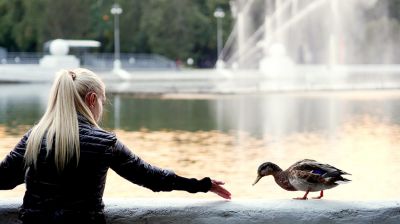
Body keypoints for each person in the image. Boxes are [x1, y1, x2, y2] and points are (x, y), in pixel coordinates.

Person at [0, 68, 231, 224]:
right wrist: (202, 185)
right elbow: (151, 177)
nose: (102, 106)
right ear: (91, 99)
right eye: (102, 99)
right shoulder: (104, 143)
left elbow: (4, 180)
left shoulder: (34, 138)